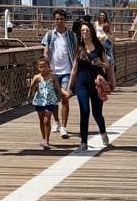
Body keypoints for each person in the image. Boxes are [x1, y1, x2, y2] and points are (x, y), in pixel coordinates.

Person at [67, 22, 110, 151]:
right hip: (81, 83)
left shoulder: (98, 47)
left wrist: (100, 63)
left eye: (87, 30)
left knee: (97, 113)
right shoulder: (78, 48)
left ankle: (103, 132)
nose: (85, 33)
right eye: (82, 31)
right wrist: (69, 87)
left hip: (96, 84)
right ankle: (83, 142)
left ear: (91, 31)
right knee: (84, 111)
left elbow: (108, 65)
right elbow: (74, 70)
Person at [41, 8, 77, 139]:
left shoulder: (72, 36)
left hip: (67, 71)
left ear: (65, 20)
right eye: (57, 19)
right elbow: (45, 52)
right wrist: (46, 66)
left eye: (61, 19)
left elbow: (76, 53)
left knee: (65, 98)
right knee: (53, 100)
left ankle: (64, 127)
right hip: (53, 72)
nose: (59, 21)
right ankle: (56, 121)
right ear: (54, 20)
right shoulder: (49, 35)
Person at [27, 57, 63, 150]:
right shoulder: (37, 77)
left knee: (47, 120)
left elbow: (58, 88)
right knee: (41, 120)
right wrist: (30, 94)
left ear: (49, 67)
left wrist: (61, 95)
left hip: (50, 100)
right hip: (39, 100)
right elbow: (32, 87)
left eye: (45, 66)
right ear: (38, 68)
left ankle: (47, 140)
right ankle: (43, 138)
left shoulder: (53, 77)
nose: (43, 69)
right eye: (40, 67)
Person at [101, 21, 118, 91]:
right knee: (111, 74)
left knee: (103, 73)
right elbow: (113, 44)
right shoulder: (111, 36)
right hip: (111, 56)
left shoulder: (102, 37)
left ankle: (105, 88)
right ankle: (113, 87)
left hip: (104, 57)